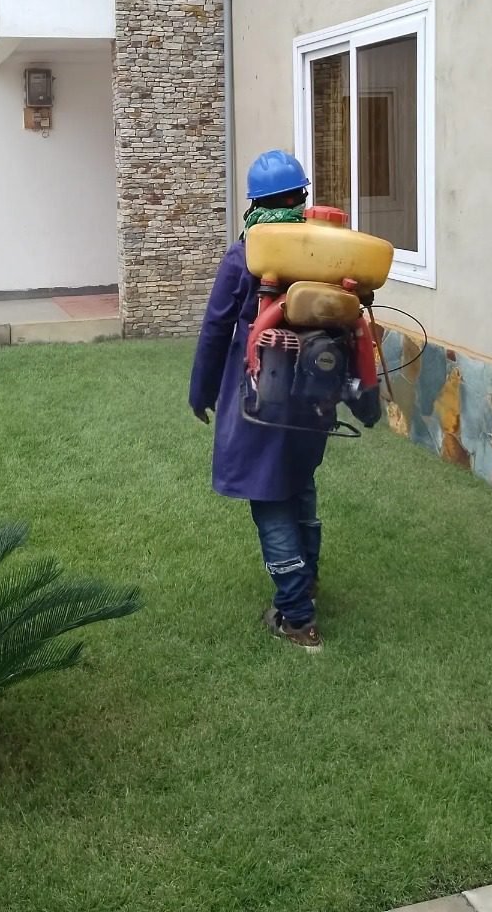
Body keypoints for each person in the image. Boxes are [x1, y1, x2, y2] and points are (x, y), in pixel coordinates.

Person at [189, 150, 329, 653]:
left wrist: (201, 391)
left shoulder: (245, 254)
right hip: (313, 399)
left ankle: (297, 617)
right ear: (301, 196)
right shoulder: (324, 249)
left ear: (254, 203)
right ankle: (307, 581)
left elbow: (216, 327)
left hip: (260, 400)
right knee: (300, 485)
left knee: (270, 499)